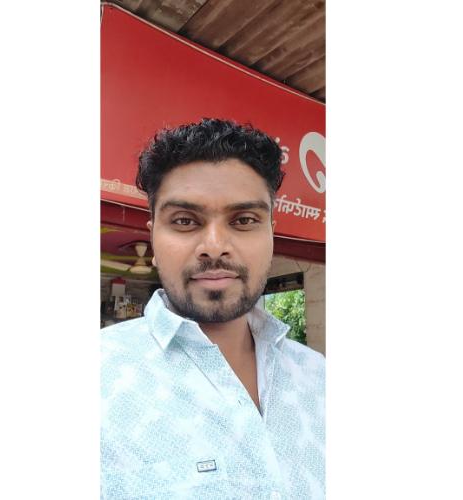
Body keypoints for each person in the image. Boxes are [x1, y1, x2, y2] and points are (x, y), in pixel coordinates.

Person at [101, 118, 325, 500]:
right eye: (185, 221)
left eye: (244, 220)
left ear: (271, 233)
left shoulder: (319, 378)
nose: (215, 246)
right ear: (153, 237)